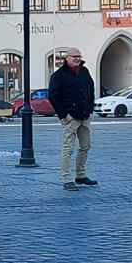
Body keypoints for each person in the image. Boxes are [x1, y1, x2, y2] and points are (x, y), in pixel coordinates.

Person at [47, 48, 97, 191]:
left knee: (85, 146)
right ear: (66, 58)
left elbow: (91, 90)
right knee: (68, 148)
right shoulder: (59, 76)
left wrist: (90, 109)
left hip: (85, 116)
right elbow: (53, 96)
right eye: (74, 56)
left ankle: (80, 175)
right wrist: (64, 115)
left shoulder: (84, 72)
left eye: (79, 56)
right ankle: (67, 178)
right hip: (70, 117)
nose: (77, 59)